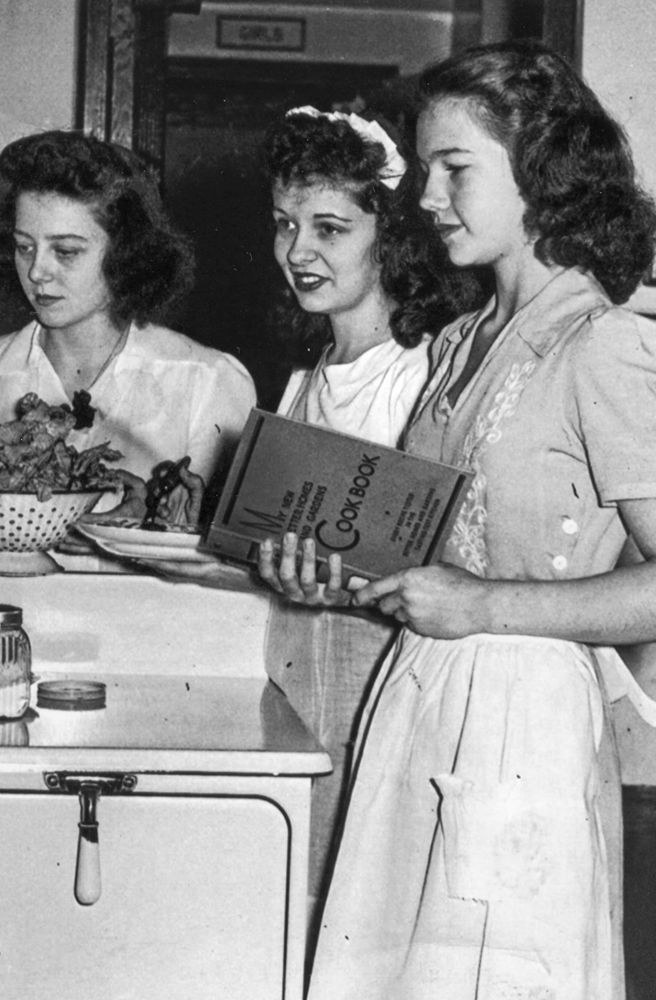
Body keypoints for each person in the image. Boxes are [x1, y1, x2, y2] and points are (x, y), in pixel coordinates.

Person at [296, 41, 656, 1000]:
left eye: (454, 168)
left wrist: (482, 605)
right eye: (425, 169)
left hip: (524, 723)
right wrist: (334, 573)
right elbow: (433, 554)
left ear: (542, 169)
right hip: (421, 692)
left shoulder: (603, 342)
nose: (426, 196)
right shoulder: (458, 343)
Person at [145, 105, 476, 918]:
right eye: (285, 224)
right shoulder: (307, 374)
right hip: (300, 673)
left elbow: (434, 565)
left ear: (390, 236)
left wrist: (330, 580)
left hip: (376, 683)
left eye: (329, 228)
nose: (297, 250)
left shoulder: (420, 372)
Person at [0, 129, 256, 564]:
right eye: (24, 247)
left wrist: (147, 538)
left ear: (126, 252)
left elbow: (234, 568)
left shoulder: (208, 382)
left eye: (66, 251)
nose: (37, 271)